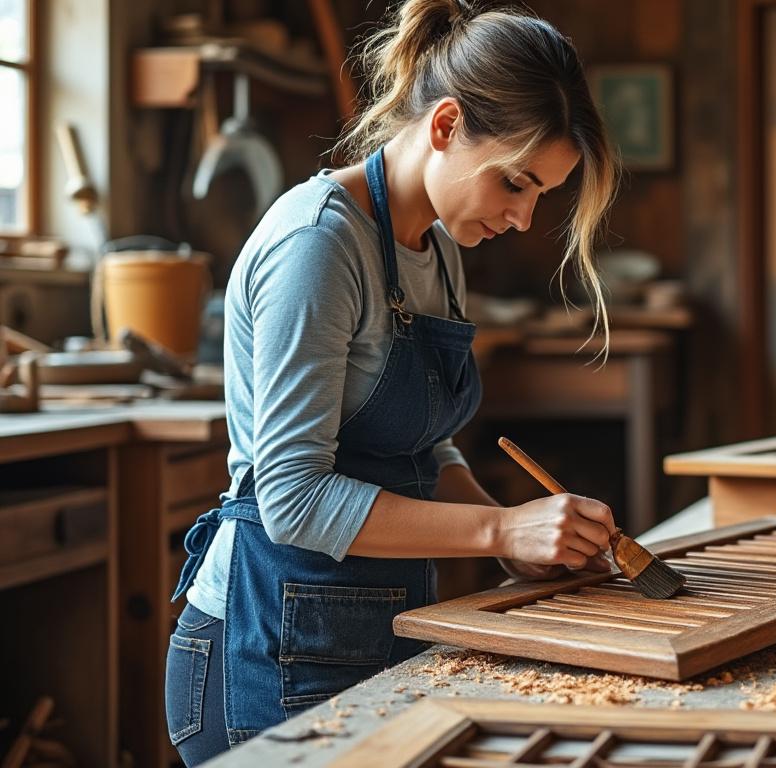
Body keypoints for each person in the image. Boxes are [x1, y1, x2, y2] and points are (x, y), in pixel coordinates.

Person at [164, 2, 619, 763]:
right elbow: (294, 499)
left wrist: (513, 540)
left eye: (541, 194)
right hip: (263, 650)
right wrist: (500, 529)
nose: (521, 216)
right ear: (444, 126)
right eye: (515, 182)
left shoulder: (436, 250)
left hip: (372, 628)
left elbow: (424, 449)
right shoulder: (318, 243)